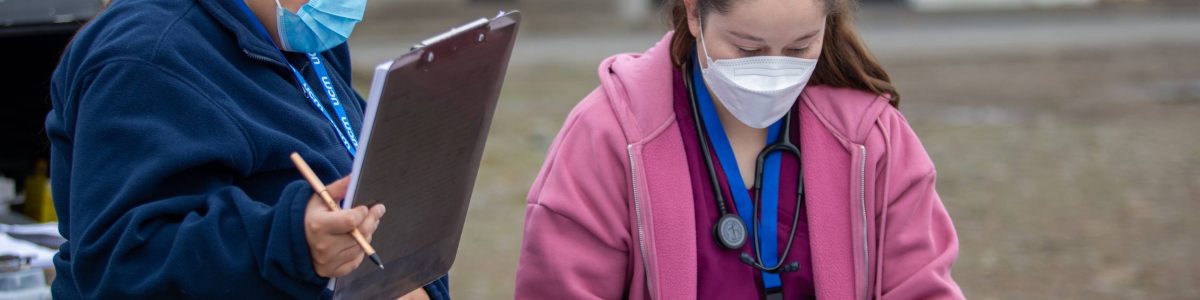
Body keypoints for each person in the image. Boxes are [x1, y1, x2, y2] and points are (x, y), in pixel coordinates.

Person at [515, 0, 964, 298]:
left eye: (799, 46)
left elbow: (921, 287)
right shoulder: (607, 137)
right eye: (748, 48)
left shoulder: (873, 140)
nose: (773, 70)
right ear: (694, 14)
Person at [45, 0, 447, 298]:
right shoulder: (144, 55)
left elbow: (358, 167)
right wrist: (292, 243)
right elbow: (124, 265)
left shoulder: (300, 39)